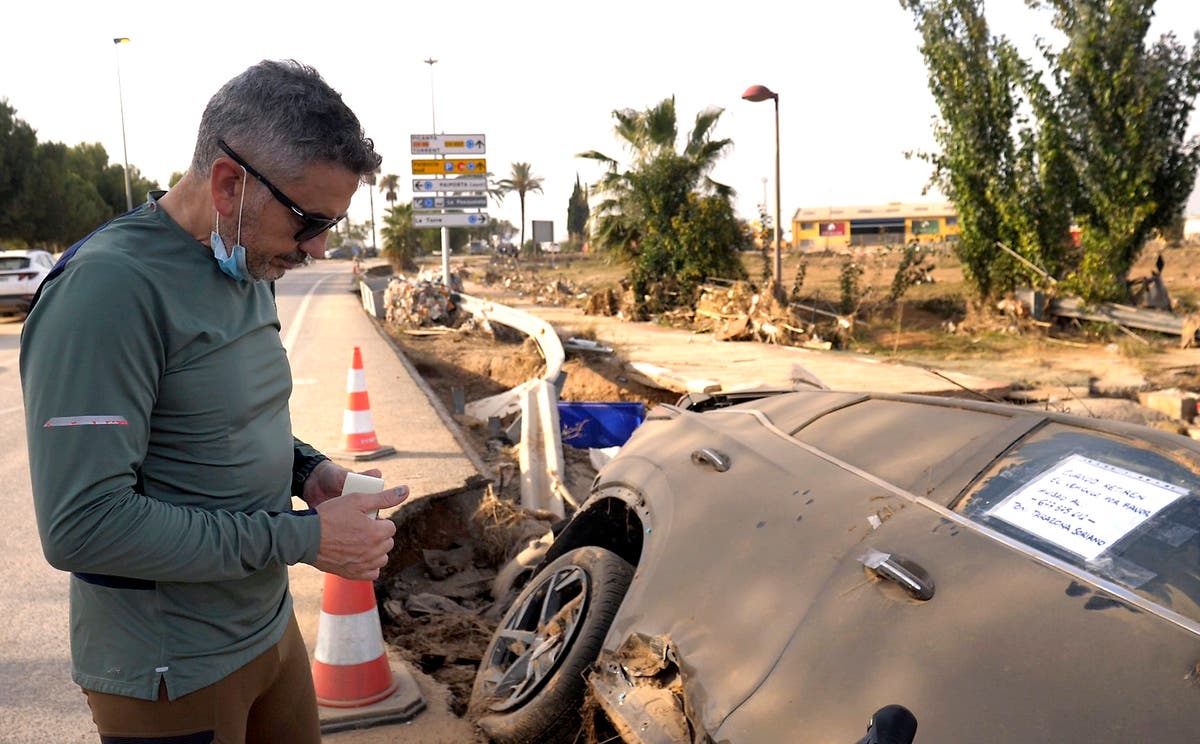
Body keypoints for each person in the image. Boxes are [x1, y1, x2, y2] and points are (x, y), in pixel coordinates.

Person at [20, 59, 406, 744]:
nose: (316, 248)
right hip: (174, 670)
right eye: (308, 221)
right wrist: (306, 538)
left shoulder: (248, 259)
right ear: (230, 184)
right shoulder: (108, 290)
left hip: (266, 630)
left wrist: (309, 474)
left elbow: (223, 421)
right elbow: (84, 526)